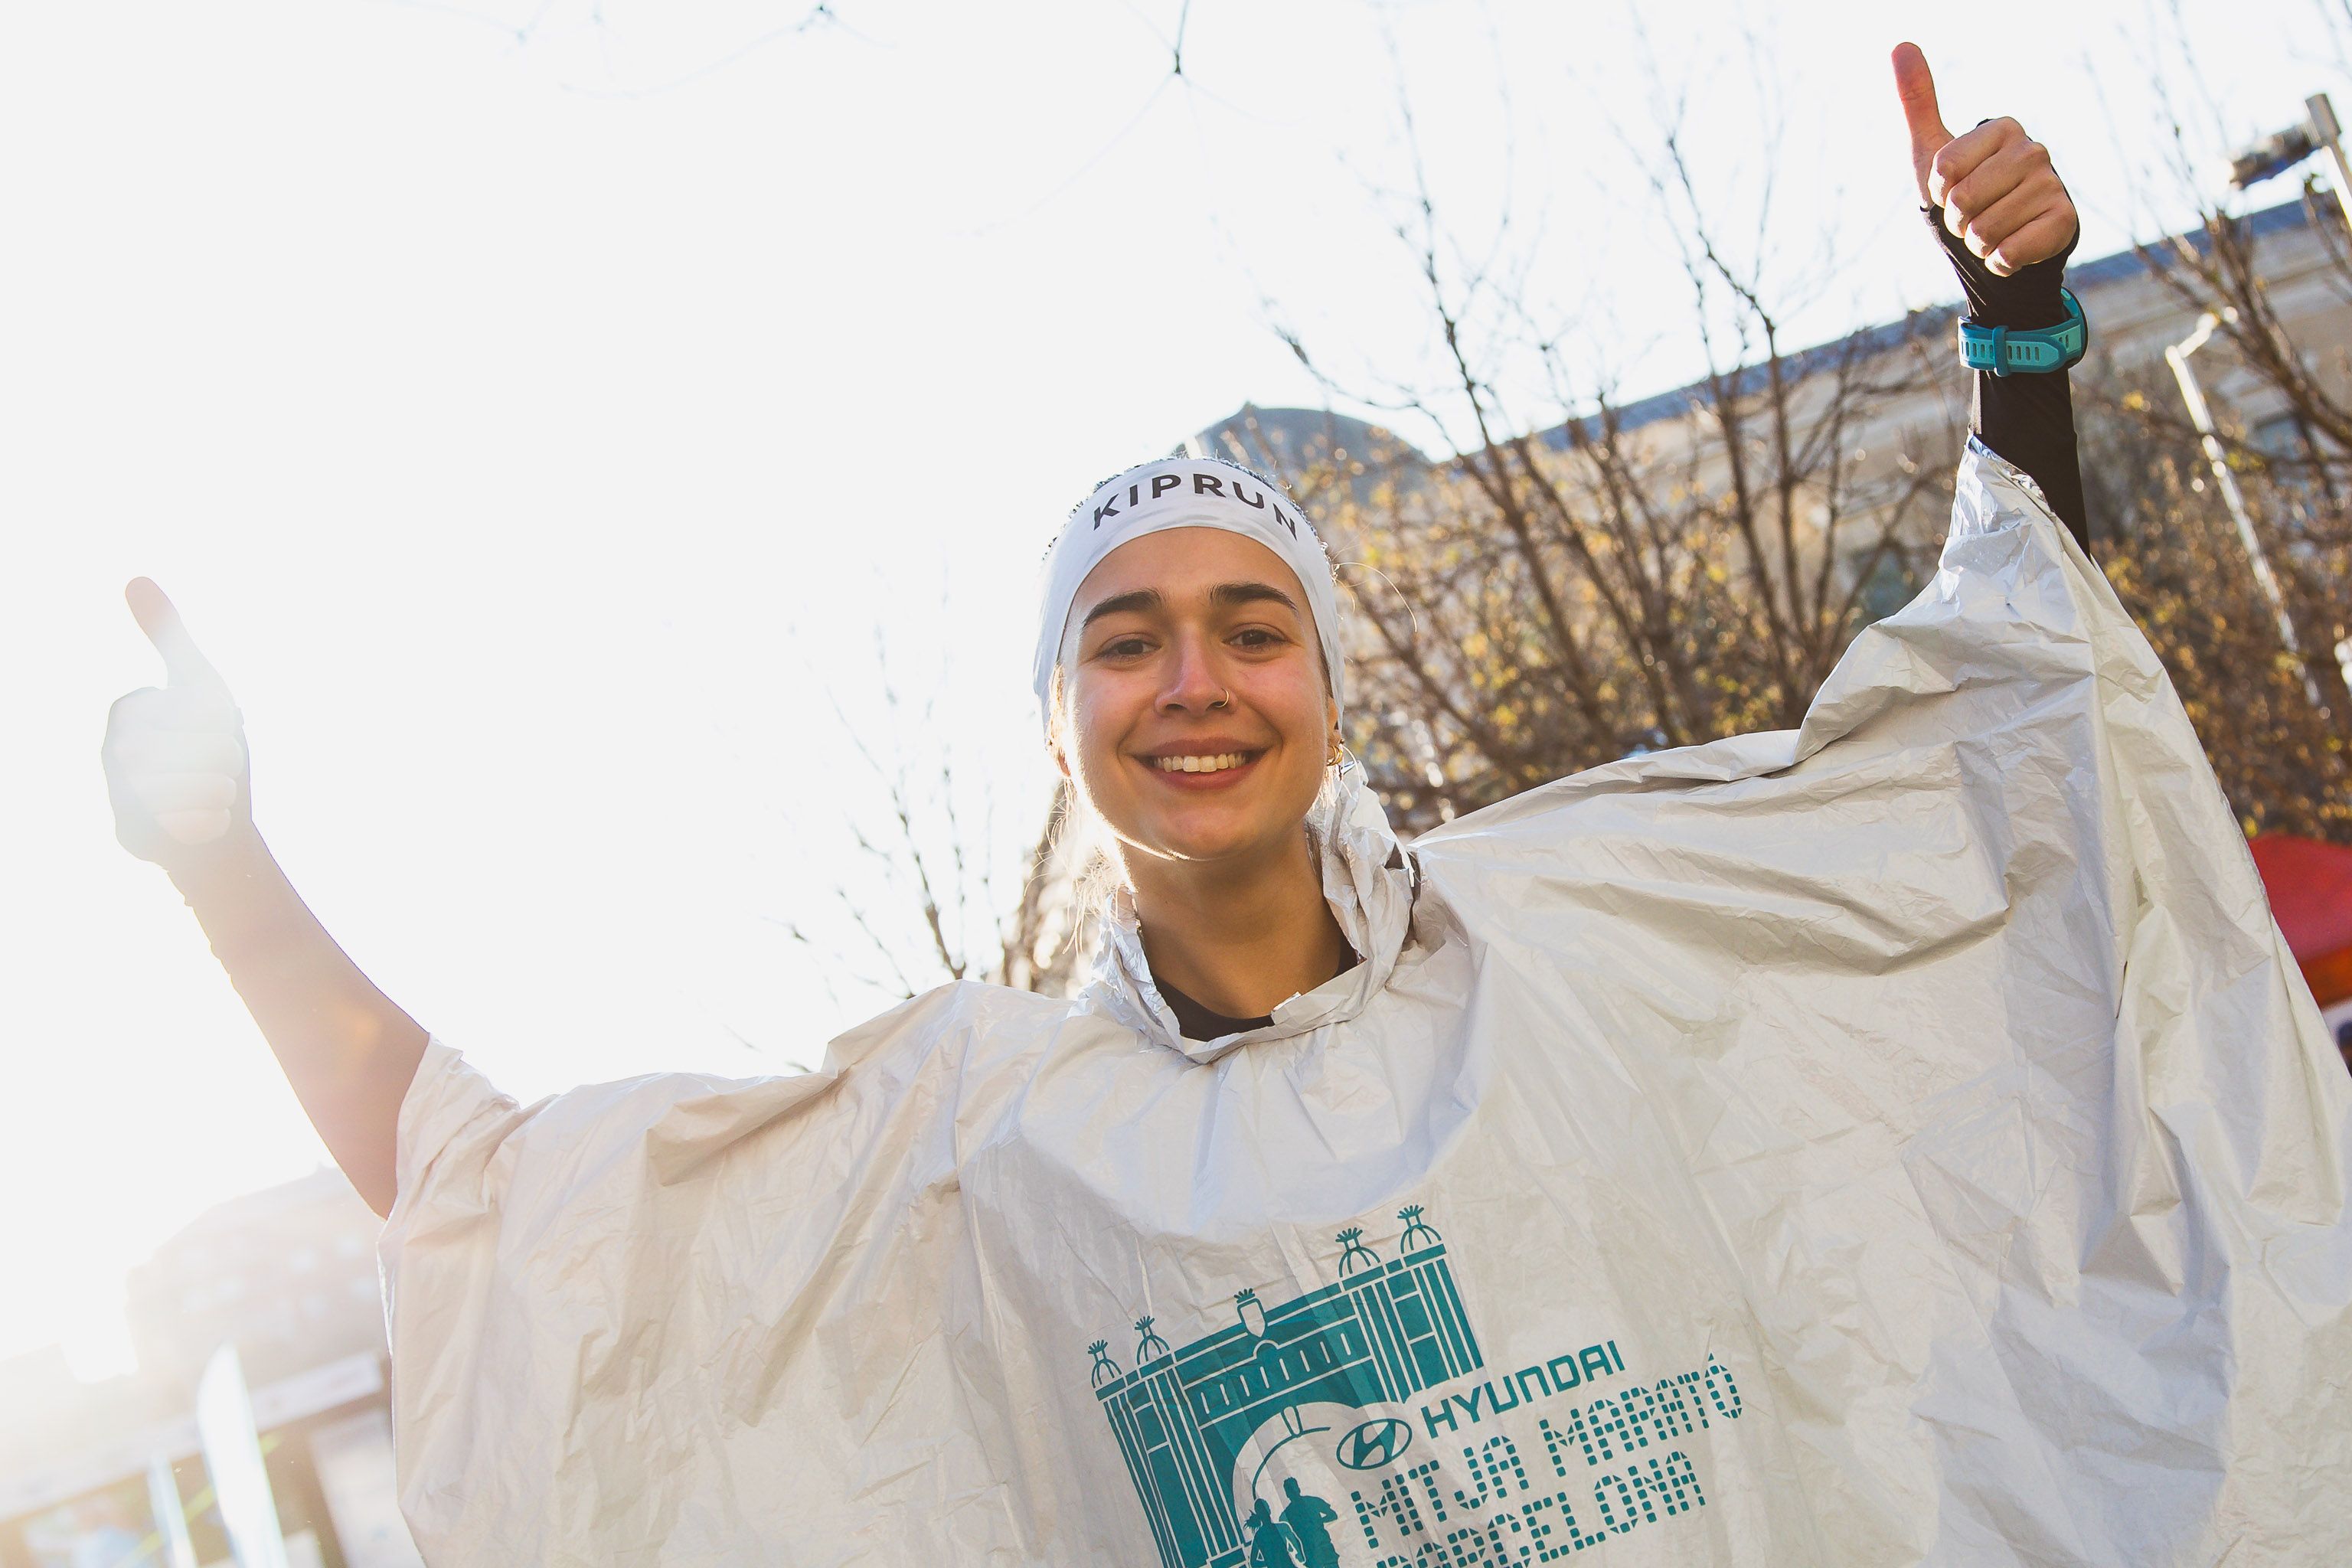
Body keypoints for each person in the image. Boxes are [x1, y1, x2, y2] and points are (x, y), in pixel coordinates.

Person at [103, 45, 2352, 1566]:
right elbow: (521, 1220)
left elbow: (1986, 794)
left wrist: (2021, 335)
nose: (1195, 675)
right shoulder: (972, 1132)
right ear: (1058, 715)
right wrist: (222, 864)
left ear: (1327, 683)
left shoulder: (1586, 936)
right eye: (1125, 632)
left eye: (1250, 622)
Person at [1279, 1478, 1340, 1568]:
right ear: (1287, 1494)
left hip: (1324, 1545)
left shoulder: (1312, 1501)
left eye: (1294, 1488)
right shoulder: (1286, 1515)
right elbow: (1286, 1537)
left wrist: (1318, 1521)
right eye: (1290, 1490)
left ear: (1298, 1488)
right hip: (1309, 1552)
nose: (1293, 1492)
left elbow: (1333, 1515)